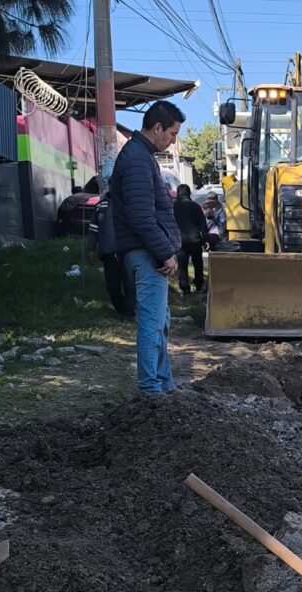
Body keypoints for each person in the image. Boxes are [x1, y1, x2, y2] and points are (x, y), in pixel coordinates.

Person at [110, 100, 184, 396]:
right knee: (152, 324)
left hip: (145, 250)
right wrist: (164, 252)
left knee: (160, 323)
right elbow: (141, 217)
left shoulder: (140, 156)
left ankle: (164, 384)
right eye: (172, 134)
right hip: (146, 253)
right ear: (157, 128)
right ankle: (151, 390)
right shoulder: (138, 160)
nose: (173, 141)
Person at [88, 193, 135, 321]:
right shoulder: (101, 205)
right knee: (113, 286)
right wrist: (91, 249)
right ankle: (121, 309)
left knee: (130, 285)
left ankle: (129, 312)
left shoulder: (128, 202)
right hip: (108, 253)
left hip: (127, 251)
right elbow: (93, 230)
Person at [174, 184, 207, 294]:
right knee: (198, 264)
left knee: (182, 266)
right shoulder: (195, 206)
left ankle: (184, 288)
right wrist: (205, 240)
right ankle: (199, 285)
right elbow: (203, 225)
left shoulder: (173, 207)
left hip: (180, 241)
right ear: (189, 193)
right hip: (195, 240)